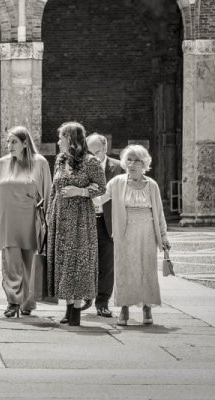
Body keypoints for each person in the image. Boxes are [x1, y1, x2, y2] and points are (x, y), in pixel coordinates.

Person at [0, 126, 52, 318]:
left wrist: (48, 219)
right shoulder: (2, 163)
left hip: (31, 219)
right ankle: (13, 301)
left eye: (14, 141)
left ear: (25, 143)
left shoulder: (40, 163)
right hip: (7, 219)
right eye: (8, 141)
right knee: (10, 262)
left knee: (30, 262)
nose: (10, 145)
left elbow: (47, 192)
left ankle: (28, 302)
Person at [46, 121, 107, 326]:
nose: (58, 141)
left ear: (71, 139)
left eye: (61, 137)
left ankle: (76, 311)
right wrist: (49, 214)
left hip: (81, 219)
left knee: (78, 262)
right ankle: (68, 307)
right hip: (60, 217)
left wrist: (80, 191)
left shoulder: (91, 161)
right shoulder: (60, 160)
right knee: (64, 261)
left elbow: (101, 188)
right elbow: (54, 188)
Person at [106, 144, 170, 326]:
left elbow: (159, 213)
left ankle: (147, 307)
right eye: (129, 160)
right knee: (124, 269)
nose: (133, 164)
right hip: (124, 232)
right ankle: (124, 309)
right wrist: (81, 193)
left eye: (137, 161)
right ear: (125, 163)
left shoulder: (152, 185)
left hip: (147, 232)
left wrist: (164, 237)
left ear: (144, 164)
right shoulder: (117, 182)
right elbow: (100, 197)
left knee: (146, 270)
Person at [85, 133, 125, 318]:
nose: (94, 156)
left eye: (98, 152)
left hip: (108, 221)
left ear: (105, 148)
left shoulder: (118, 168)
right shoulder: (83, 167)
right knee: (86, 260)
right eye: (90, 152)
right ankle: (86, 295)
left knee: (106, 264)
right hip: (86, 221)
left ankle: (102, 302)